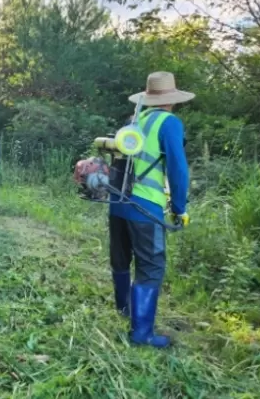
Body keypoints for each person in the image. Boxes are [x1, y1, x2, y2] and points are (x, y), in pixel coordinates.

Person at [109, 71, 193, 348]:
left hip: (117, 203)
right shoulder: (169, 123)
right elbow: (178, 169)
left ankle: (124, 309)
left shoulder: (133, 121)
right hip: (145, 208)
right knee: (151, 267)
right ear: (172, 99)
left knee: (121, 258)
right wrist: (179, 208)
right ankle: (142, 334)